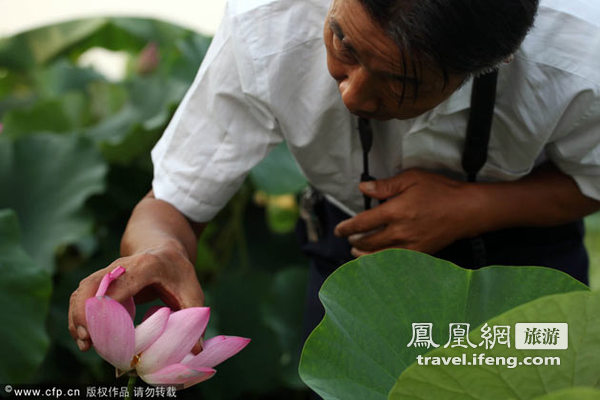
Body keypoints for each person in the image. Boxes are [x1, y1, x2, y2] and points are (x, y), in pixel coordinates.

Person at [69, 0, 600, 354]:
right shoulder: (268, 21)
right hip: (348, 256)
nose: (351, 95)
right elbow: (172, 204)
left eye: (399, 81)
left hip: (523, 261)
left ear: (499, 61)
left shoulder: (580, 56)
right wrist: (162, 251)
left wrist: (473, 208)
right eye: (343, 43)